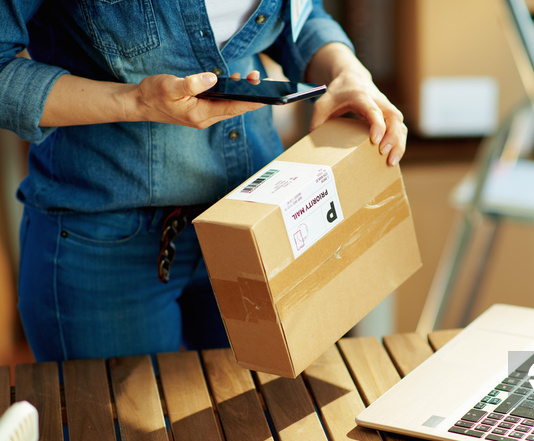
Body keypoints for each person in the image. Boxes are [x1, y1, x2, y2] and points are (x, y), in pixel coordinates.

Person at [0, 0, 407, 362]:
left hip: (255, 224)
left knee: (265, 429)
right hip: (104, 241)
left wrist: (345, 70)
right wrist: (133, 102)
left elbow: (301, 14)